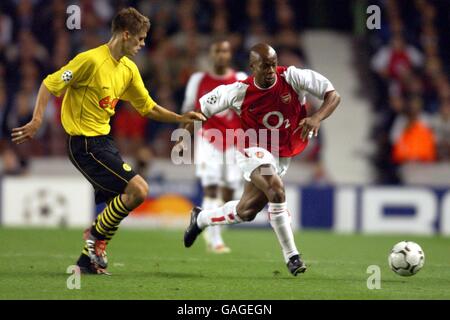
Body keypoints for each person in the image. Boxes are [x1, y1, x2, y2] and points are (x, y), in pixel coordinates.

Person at [11, 7, 205, 275]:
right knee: (139, 190)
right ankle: (95, 235)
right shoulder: (89, 61)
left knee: (124, 198)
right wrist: (36, 120)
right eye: (140, 39)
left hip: (104, 141)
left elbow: (147, 107)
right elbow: (49, 83)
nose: (143, 44)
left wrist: (180, 117)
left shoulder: (128, 69)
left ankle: (86, 261)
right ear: (126, 35)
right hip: (84, 144)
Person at [183, 43, 340, 276]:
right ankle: (292, 256)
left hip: (282, 152)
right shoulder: (238, 91)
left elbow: (333, 95)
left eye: (273, 65)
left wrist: (317, 117)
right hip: (252, 146)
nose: (270, 71)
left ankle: (201, 219)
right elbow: (203, 107)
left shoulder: (293, 77)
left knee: (246, 211)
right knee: (276, 191)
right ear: (252, 66)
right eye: (265, 66)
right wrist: (187, 131)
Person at [181, 39, 246, 253]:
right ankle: (214, 240)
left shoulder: (240, 79)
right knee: (211, 189)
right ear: (211, 54)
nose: (221, 55)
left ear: (230, 54)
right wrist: (182, 137)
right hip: (208, 138)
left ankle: (208, 223)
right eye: (217, 50)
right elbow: (190, 109)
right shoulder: (198, 79)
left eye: (225, 51)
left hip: (236, 143)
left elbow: (249, 112)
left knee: (230, 194)